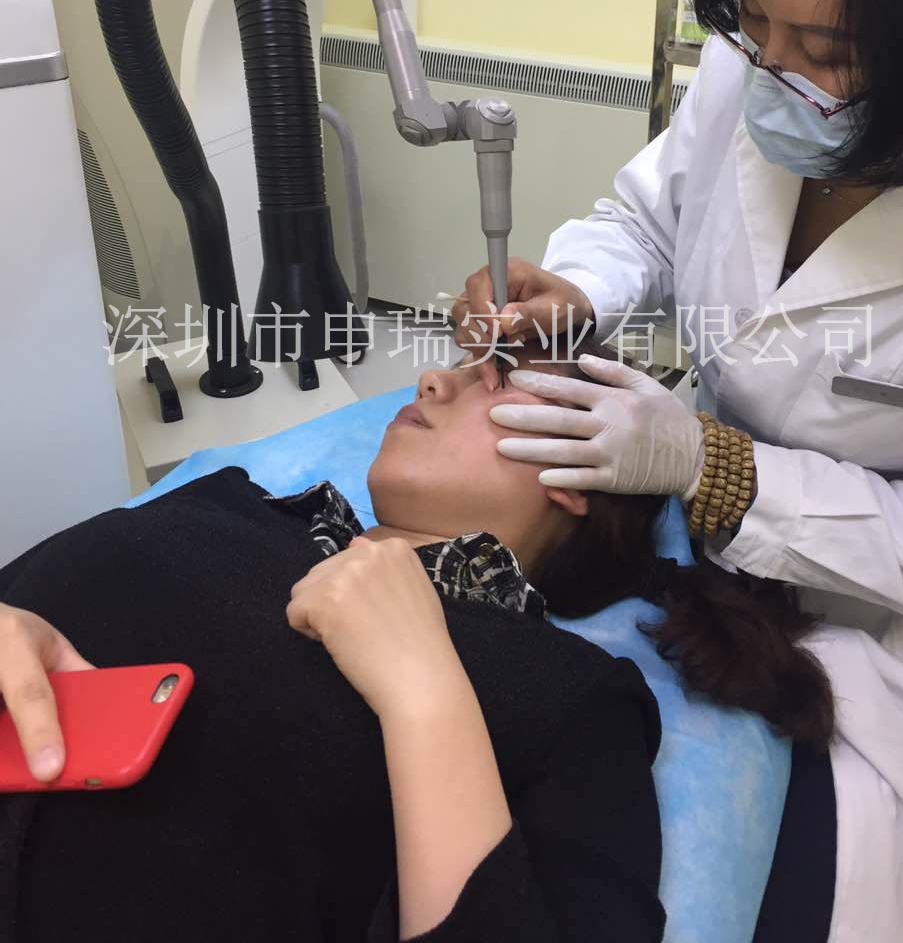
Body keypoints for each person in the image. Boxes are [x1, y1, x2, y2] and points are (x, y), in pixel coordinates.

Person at [453, 0, 903, 943]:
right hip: (706, 564)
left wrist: (716, 466)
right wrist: (576, 291)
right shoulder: (756, 66)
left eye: (829, 53)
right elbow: (648, 214)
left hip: (893, 636)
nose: (768, 71)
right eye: (753, 20)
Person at [0, 339, 831, 942]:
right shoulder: (226, 502)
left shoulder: (569, 696)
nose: (433, 379)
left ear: (583, 471)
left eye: (495, 380)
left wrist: (424, 697)